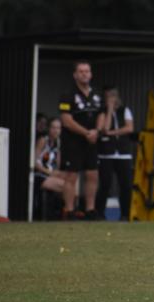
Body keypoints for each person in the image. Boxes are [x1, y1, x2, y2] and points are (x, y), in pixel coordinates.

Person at [58, 60, 102, 220]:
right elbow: (66, 120)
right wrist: (86, 133)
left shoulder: (96, 93)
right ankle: (69, 211)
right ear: (75, 74)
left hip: (91, 141)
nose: (85, 74)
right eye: (81, 71)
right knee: (71, 176)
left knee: (92, 175)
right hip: (73, 141)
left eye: (87, 71)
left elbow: (102, 114)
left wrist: (96, 131)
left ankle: (90, 210)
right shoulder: (67, 94)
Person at [95, 86, 134, 220]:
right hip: (106, 154)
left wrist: (112, 133)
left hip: (123, 154)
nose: (112, 99)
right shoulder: (102, 112)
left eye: (113, 96)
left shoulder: (125, 110)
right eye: (109, 97)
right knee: (105, 184)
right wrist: (110, 110)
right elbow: (104, 128)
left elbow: (129, 128)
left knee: (126, 185)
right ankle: (100, 213)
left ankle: (125, 214)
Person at [33, 118, 65, 219]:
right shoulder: (43, 140)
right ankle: (64, 214)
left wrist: (58, 173)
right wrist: (48, 172)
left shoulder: (58, 143)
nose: (56, 130)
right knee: (66, 187)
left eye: (58, 128)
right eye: (53, 127)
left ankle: (59, 213)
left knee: (71, 182)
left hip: (50, 174)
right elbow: (34, 162)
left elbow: (58, 165)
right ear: (49, 129)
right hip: (39, 175)